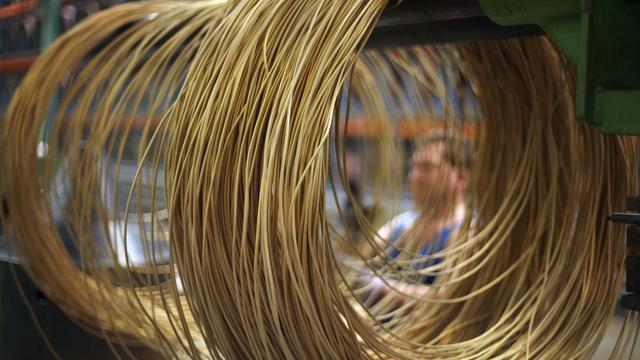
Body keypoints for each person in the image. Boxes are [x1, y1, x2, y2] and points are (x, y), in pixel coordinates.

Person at [360, 129, 469, 304]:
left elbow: (447, 300)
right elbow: (358, 265)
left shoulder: (466, 232)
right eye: (414, 166)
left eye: (427, 167)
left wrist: (381, 288)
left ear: (461, 178)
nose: (415, 176)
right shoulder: (401, 224)